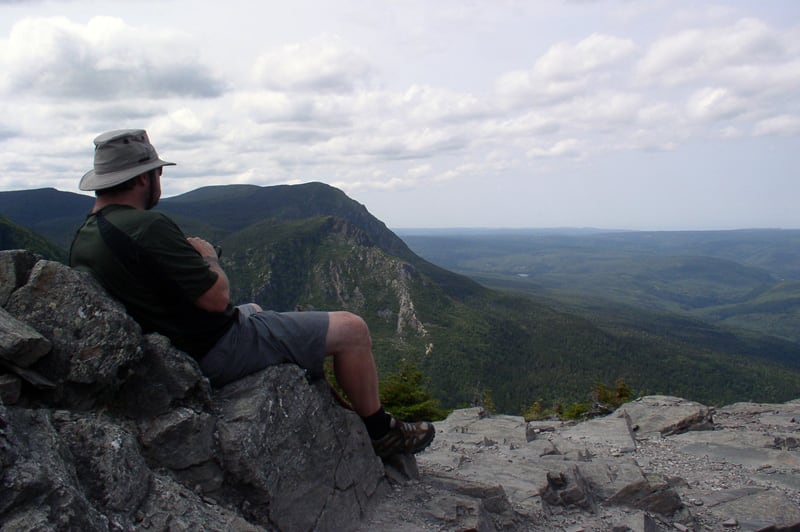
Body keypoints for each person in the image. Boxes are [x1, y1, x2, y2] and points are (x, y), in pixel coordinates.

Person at [69, 128, 434, 458]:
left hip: (171, 346)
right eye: (159, 173)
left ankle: (324, 387)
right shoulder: (147, 226)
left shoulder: (85, 236)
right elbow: (216, 299)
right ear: (143, 178)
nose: (160, 181)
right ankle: (380, 432)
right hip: (213, 346)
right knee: (353, 329)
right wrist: (210, 258)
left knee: (256, 308)